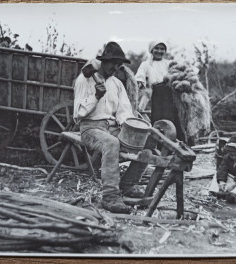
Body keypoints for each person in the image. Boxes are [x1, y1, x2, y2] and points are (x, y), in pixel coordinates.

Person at [73, 42, 144, 214]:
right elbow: (78, 114)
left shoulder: (117, 84)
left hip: (111, 126)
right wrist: (96, 96)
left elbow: (124, 111)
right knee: (111, 144)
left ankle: (127, 185)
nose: (115, 66)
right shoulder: (85, 80)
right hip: (90, 128)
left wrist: (130, 128)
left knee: (146, 142)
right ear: (103, 62)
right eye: (112, 62)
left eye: (118, 63)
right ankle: (110, 197)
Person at [135, 41, 186, 141]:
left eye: (162, 49)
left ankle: (177, 144)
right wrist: (139, 83)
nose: (159, 51)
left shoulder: (169, 63)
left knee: (174, 119)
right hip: (157, 94)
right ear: (151, 50)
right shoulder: (146, 64)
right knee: (159, 120)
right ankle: (159, 145)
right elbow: (140, 76)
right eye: (156, 48)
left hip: (170, 94)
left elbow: (182, 70)